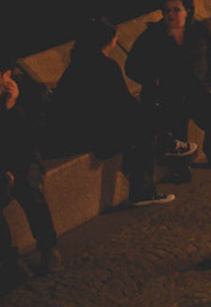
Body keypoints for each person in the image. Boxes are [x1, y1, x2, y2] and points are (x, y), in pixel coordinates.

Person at [49, 21, 175, 208]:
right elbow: (122, 102)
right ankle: (143, 191)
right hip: (86, 136)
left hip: (71, 131)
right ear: (110, 41)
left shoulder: (76, 65)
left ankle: (167, 144)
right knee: (146, 129)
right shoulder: (105, 66)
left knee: (142, 125)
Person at [0, 52, 61, 280]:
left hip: (23, 157)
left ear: (6, 75)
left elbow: (31, 137)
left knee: (29, 189)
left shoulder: (26, 94)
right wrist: (0, 171)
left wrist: (11, 107)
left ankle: (48, 250)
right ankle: (9, 261)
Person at [125, 0, 211, 177]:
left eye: (176, 10)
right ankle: (181, 168)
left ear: (187, 11)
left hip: (198, 88)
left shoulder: (200, 29)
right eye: (166, 11)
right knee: (176, 125)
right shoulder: (153, 34)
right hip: (169, 92)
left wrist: (210, 81)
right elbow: (131, 66)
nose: (170, 15)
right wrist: (153, 80)